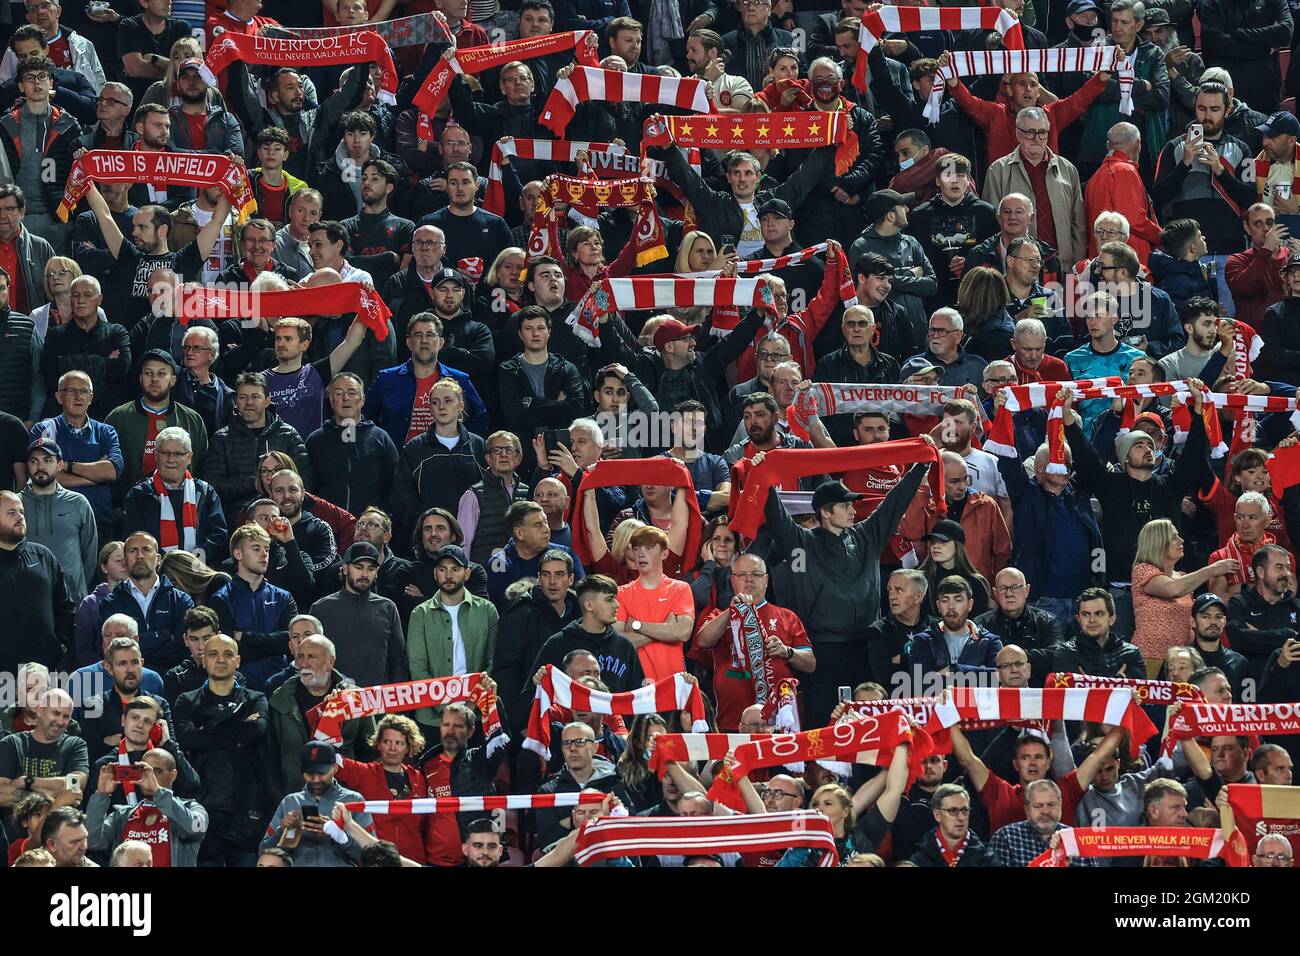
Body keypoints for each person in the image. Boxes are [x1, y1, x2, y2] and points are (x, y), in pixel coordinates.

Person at [691, 552, 814, 731]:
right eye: (742, 575)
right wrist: (731, 612)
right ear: (732, 581)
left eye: (755, 574)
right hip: (730, 721)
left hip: (776, 723)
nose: (749, 580)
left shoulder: (786, 616)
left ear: (765, 580)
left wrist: (787, 651)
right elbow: (702, 641)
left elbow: (810, 663)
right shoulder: (719, 615)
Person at [266, 635, 377, 796]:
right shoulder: (279, 700)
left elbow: (371, 753)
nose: (303, 664)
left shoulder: (355, 699)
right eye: (299, 657)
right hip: (294, 801)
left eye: (311, 657)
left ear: (330, 662)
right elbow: (269, 758)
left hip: (345, 801)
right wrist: (279, 798)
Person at [981, 107, 1088, 269]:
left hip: (1062, 268)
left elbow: (1078, 224)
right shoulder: (998, 171)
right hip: (1016, 270)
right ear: (1018, 134)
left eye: (1042, 132)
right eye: (1030, 132)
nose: (1037, 138)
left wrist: (1076, 266)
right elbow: (992, 225)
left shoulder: (1068, 169)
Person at [406, 544, 499, 727]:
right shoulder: (420, 614)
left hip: (477, 715)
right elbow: (418, 668)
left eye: (455, 569)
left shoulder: (487, 610)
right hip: (432, 719)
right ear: (435, 574)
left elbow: (493, 661)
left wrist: (471, 706)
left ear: (467, 573)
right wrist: (447, 710)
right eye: (442, 569)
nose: (448, 575)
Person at [204, 372, 312, 518]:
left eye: (255, 397)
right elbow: (213, 484)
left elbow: (304, 480)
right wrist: (255, 483)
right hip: (238, 520)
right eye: (243, 397)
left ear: (267, 400)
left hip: (283, 518)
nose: (249, 402)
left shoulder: (288, 435)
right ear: (236, 401)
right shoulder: (222, 439)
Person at [206, 523, 298, 692]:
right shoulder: (220, 599)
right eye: (256, 549)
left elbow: (289, 642)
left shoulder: (283, 597)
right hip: (240, 688)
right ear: (238, 553)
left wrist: (244, 636)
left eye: (267, 549)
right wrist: (271, 645)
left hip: (281, 686)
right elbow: (229, 650)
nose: (264, 554)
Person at [85, 746, 208, 867]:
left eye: (157, 771)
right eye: (145, 771)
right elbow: (92, 841)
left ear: (173, 775)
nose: (150, 777)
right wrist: (101, 795)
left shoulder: (192, 808)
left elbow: (194, 830)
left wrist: (158, 791)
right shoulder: (122, 815)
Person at [310, 541, 408, 689]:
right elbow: (312, 659)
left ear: (376, 572)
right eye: (358, 567)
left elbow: (399, 660)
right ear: (344, 568)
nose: (364, 574)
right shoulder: (321, 609)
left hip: (378, 702)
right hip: (335, 701)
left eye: (371, 569)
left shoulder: (388, 607)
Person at [262, 740, 375, 867]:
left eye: (321, 773)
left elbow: (372, 856)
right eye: (310, 773)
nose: (315, 779)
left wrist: (338, 835)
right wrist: (282, 831)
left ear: (335, 768)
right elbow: (264, 853)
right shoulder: (290, 801)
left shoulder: (353, 801)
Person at [334, 714, 429, 865]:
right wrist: (331, 710)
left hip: (413, 860)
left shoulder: (419, 778)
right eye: (387, 741)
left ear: (409, 747)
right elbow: (329, 757)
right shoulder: (364, 773)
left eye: (399, 743)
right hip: (377, 860)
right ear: (378, 744)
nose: (392, 748)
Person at [122, 425, 226, 563]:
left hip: (200, 571)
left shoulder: (205, 492)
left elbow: (218, 535)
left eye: (178, 454)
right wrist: (169, 563)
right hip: (156, 571)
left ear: (189, 457)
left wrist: (193, 560)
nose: (171, 459)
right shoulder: (140, 494)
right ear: (156, 456)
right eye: (165, 453)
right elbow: (135, 538)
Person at [0, 488, 73, 671]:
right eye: (11, 513)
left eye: (21, 511)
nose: (20, 517)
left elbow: (65, 606)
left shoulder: (43, 556)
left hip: (45, 668)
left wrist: (61, 645)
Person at [20, 436, 95, 600]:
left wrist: (77, 587)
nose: (40, 466)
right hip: (27, 598)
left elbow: (89, 554)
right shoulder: (15, 505)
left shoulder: (78, 503)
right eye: (34, 461)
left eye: (47, 460)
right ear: (27, 466)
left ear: (59, 464)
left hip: (72, 599)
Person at [0, 687, 87, 810]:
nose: (61, 721)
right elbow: (2, 794)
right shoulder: (11, 743)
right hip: (17, 827)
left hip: (60, 827)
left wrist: (29, 782)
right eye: (55, 713)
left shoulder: (75, 745)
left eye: (66, 716)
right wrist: (54, 798)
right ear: (40, 710)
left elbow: (76, 785)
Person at [485, 500, 585, 606]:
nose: (546, 529)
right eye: (538, 525)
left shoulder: (565, 554)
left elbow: (583, 596)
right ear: (519, 533)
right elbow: (501, 608)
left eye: (546, 522)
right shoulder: (499, 563)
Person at [1226, 543, 1300, 684]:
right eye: (1279, 567)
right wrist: (1287, 635)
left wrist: (1258, 636)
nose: (1286, 574)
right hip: (1252, 686)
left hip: (1292, 688)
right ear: (1260, 572)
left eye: (1288, 568)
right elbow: (1238, 639)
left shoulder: (1296, 606)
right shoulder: (1240, 603)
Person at [1050, 587, 1147, 677]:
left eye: (1099, 613)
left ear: (1111, 619)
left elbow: (1142, 693)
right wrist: (1114, 685)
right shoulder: (1065, 653)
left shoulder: (1131, 654)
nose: (1092, 620)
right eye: (1086, 614)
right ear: (1079, 620)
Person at [908, 783, 994, 867]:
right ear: (937, 815)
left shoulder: (988, 859)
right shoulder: (918, 861)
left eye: (964, 810)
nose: (961, 817)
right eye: (953, 811)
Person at [907, 308, 986, 389]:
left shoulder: (978, 367)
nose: (935, 336)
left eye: (942, 331)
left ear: (958, 336)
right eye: (932, 330)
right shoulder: (912, 365)